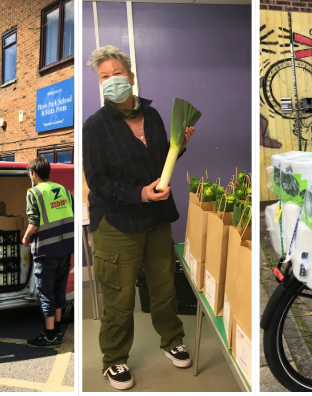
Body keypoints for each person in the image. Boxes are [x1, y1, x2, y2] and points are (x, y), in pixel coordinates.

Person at [83, 45, 196, 390]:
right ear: (99, 84)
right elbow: (98, 181)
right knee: (119, 297)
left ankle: (172, 339)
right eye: (105, 77)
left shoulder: (156, 115)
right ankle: (114, 360)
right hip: (117, 224)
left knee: (163, 288)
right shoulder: (95, 127)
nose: (112, 80)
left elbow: (163, 159)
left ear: (131, 77)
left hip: (158, 219)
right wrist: (140, 193)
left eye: (117, 73)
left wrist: (182, 143)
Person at [22, 157, 74, 349]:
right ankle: (57, 331)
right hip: (65, 249)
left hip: (46, 250)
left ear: (33, 173)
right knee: (59, 290)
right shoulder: (63, 190)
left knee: (46, 293)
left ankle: (50, 335)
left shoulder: (34, 192)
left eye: (29, 173)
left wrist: (26, 237)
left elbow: (34, 222)